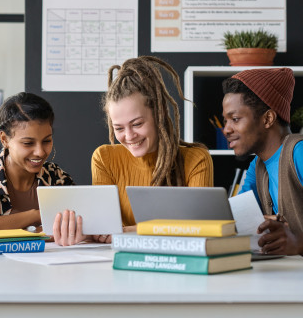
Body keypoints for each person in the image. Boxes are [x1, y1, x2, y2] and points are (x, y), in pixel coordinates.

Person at [53, 56, 213, 246]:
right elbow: (105, 228)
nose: (129, 136)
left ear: (158, 114)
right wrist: (85, 233)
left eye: (137, 124)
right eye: (119, 128)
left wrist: (128, 231)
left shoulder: (195, 159)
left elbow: (200, 227)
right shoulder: (104, 159)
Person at [0, 92, 74, 237]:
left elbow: (80, 221)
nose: (40, 152)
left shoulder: (56, 177)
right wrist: (36, 216)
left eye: (46, 141)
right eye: (28, 143)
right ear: (4, 139)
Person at [222, 68, 303, 255]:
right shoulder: (258, 166)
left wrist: (299, 243)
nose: (226, 130)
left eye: (235, 119)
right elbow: (234, 216)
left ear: (268, 118)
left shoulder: (298, 153)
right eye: (225, 120)